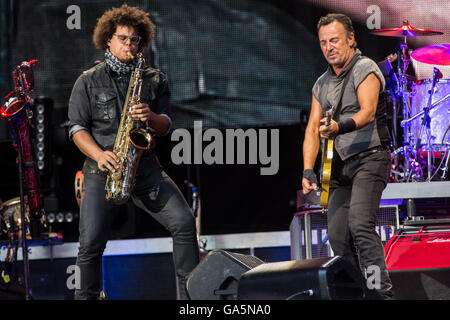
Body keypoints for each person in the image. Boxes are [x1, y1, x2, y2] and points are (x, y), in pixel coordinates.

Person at [68, 4, 199, 300]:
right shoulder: (88, 80)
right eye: (123, 38)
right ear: (108, 40)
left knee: (184, 223)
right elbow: (76, 129)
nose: (129, 45)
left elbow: (165, 124)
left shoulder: (153, 78)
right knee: (90, 245)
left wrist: (150, 116)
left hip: (145, 169)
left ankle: (192, 300)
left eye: (134, 40)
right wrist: (100, 156)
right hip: (102, 170)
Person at [301, 13, 394, 299]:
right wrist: (307, 170)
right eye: (323, 42)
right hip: (340, 169)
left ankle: (382, 294)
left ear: (351, 39)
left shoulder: (365, 68)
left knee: (360, 226)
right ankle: (357, 295)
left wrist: (339, 126)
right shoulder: (321, 84)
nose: (329, 47)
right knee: (339, 237)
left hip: (371, 158)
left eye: (335, 40)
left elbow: (366, 112)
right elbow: (312, 131)